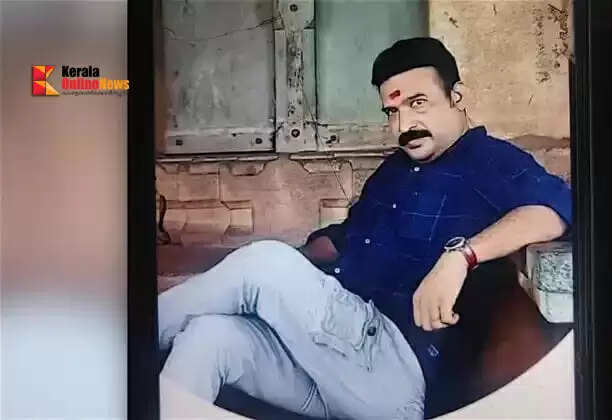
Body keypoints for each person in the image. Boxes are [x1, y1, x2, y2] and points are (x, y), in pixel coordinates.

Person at [158, 37, 572, 419]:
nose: (404, 124)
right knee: (207, 338)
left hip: (392, 369)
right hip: (333, 362)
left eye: (418, 103)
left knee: (262, 262)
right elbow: (349, 238)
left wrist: (460, 257)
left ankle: (127, 338)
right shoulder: (394, 171)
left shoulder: (490, 161)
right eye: (392, 111)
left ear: (456, 96)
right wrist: (301, 263)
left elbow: (558, 209)